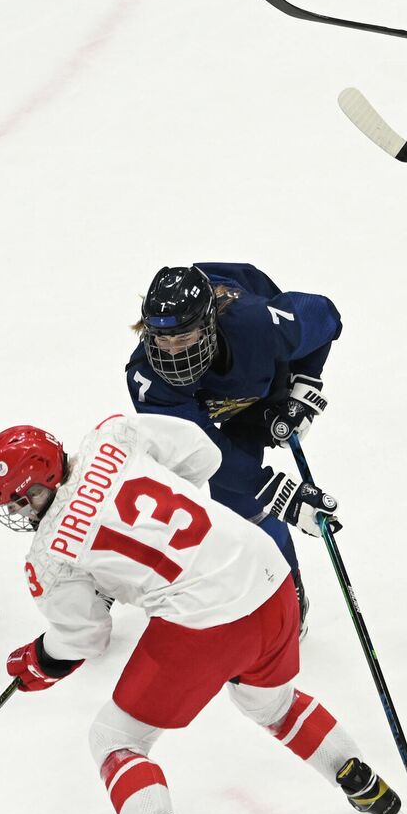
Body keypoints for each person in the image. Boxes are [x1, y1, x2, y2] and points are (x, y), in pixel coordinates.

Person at [0, 413, 389, 814]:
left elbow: (84, 639)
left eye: (21, 499)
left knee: (115, 739)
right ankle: (356, 774)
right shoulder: (113, 438)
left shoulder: (49, 557)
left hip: (205, 622)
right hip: (269, 577)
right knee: (271, 704)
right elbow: (202, 454)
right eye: (9, 503)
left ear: (44, 482)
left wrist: (39, 658)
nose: (16, 510)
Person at [126, 263, 341, 627]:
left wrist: (306, 382)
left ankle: (288, 584)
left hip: (257, 382)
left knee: (240, 499)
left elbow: (327, 317)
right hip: (206, 408)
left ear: (210, 324)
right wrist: (274, 491)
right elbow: (207, 452)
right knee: (231, 497)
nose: (173, 353)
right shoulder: (148, 378)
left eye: (184, 338)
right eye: (162, 340)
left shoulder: (258, 324)